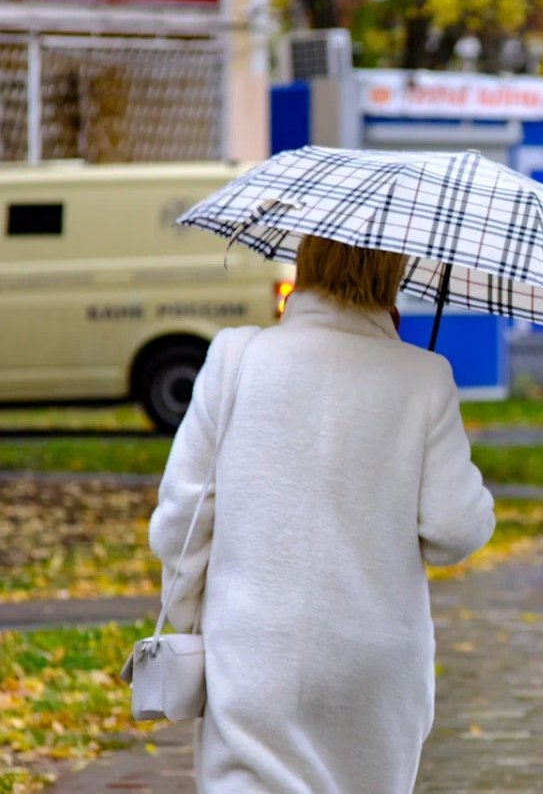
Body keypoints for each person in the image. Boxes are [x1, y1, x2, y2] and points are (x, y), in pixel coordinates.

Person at [149, 235, 496, 794]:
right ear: (394, 273)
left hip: (253, 652)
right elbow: (455, 531)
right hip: (373, 669)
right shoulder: (424, 377)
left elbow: (181, 522)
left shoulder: (237, 359)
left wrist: (190, 623)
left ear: (305, 263)